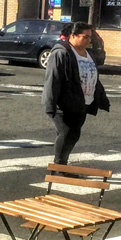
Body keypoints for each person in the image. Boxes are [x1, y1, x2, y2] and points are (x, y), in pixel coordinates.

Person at [42, 22, 110, 166]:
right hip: (65, 103)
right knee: (67, 134)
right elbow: (53, 79)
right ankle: (59, 167)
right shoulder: (62, 52)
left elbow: (94, 77)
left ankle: (62, 164)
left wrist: (101, 97)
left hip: (82, 103)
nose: (89, 40)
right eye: (85, 37)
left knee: (74, 134)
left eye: (90, 37)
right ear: (72, 36)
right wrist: (50, 104)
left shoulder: (88, 54)